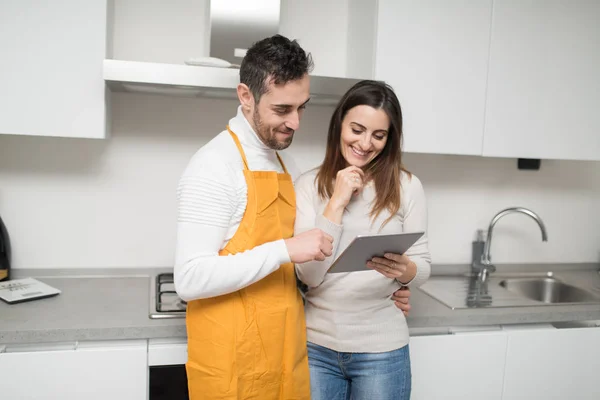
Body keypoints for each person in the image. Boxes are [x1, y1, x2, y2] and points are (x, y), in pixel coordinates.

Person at [173, 34, 412, 400]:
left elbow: (301, 268)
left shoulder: (284, 161)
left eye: (302, 107)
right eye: (283, 109)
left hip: (284, 351)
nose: (296, 122)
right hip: (233, 359)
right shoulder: (214, 166)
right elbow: (189, 280)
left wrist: (383, 290)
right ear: (245, 96)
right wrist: (284, 248)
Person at [294, 80, 431, 400]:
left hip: (383, 351)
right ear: (339, 123)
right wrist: (336, 203)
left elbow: (423, 268)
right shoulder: (308, 186)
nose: (366, 143)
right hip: (316, 347)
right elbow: (309, 276)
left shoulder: (408, 186)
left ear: (390, 138)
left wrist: (405, 270)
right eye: (357, 129)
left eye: (378, 135)